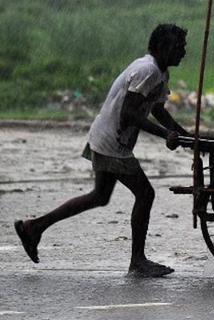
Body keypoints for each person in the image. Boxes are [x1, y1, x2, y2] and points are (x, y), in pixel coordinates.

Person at [14, 24, 190, 277]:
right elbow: (129, 112)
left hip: (107, 137)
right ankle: (138, 261)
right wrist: (167, 135)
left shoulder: (160, 73)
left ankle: (33, 227)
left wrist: (183, 134)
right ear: (162, 48)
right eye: (178, 47)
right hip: (112, 142)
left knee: (99, 196)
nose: (182, 52)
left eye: (183, 48)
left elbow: (158, 110)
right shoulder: (147, 70)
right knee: (145, 194)